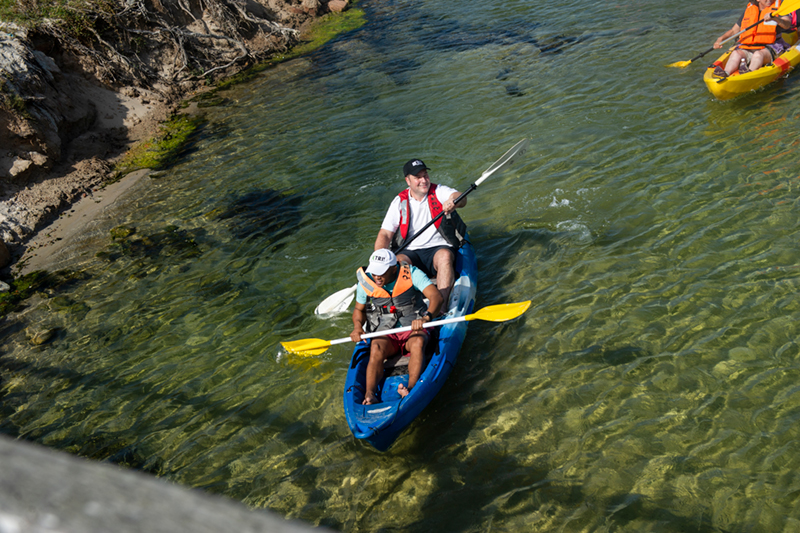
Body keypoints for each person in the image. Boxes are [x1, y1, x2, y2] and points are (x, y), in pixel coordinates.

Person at [350, 249, 443, 405]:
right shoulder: (366, 282)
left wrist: (426, 317)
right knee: (376, 347)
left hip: (413, 326)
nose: (376, 277)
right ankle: (369, 395)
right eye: (374, 272)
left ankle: (411, 389)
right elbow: (359, 310)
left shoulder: (412, 273)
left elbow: (436, 297)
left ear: (394, 268)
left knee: (418, 342)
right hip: (387, 330)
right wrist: (357, 327)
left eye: (382, 272)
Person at [374, 158, 468, 307]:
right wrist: (379, 260)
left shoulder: (438, 191)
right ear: (408, 181)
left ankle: (441, 307)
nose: (424, 180)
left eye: (425, 175)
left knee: (444, 256)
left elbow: (460, 198)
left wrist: (453, 201)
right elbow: (385, 234)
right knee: (399, 262)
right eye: (418, 177)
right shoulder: (399, 201)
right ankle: (403, 307)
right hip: (411, 252)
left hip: (438, 249)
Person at [712, 0, 793, 78]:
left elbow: (787, 24)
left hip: (771, 47)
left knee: (758, 55)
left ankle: (749, 74)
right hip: (749, 47)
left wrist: (775, 18)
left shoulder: (778, 7)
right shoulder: (749, 9)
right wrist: (721, 39)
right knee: (736, 54)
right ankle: (726, 73)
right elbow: (734, 31)